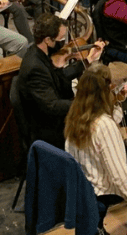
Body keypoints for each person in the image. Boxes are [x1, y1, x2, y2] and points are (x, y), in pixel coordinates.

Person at [65, 63, 127, 235]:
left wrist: (117, 101)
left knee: (124, 165)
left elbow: (104, 124)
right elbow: (118, 173)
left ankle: (97, 228)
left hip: (84, 187)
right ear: (105, 90)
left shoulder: (76, 114)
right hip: (102, 191)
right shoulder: (103, 125)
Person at [17, 13, 102, 147]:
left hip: (52, 114)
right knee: (97, 119)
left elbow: (58, 77)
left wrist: (88, 60)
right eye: (61, 38)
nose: (64, 43)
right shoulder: (35, 67)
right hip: (48, 127)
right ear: (47, 40)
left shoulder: (42, 52)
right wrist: (83, 102)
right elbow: (52, 106)